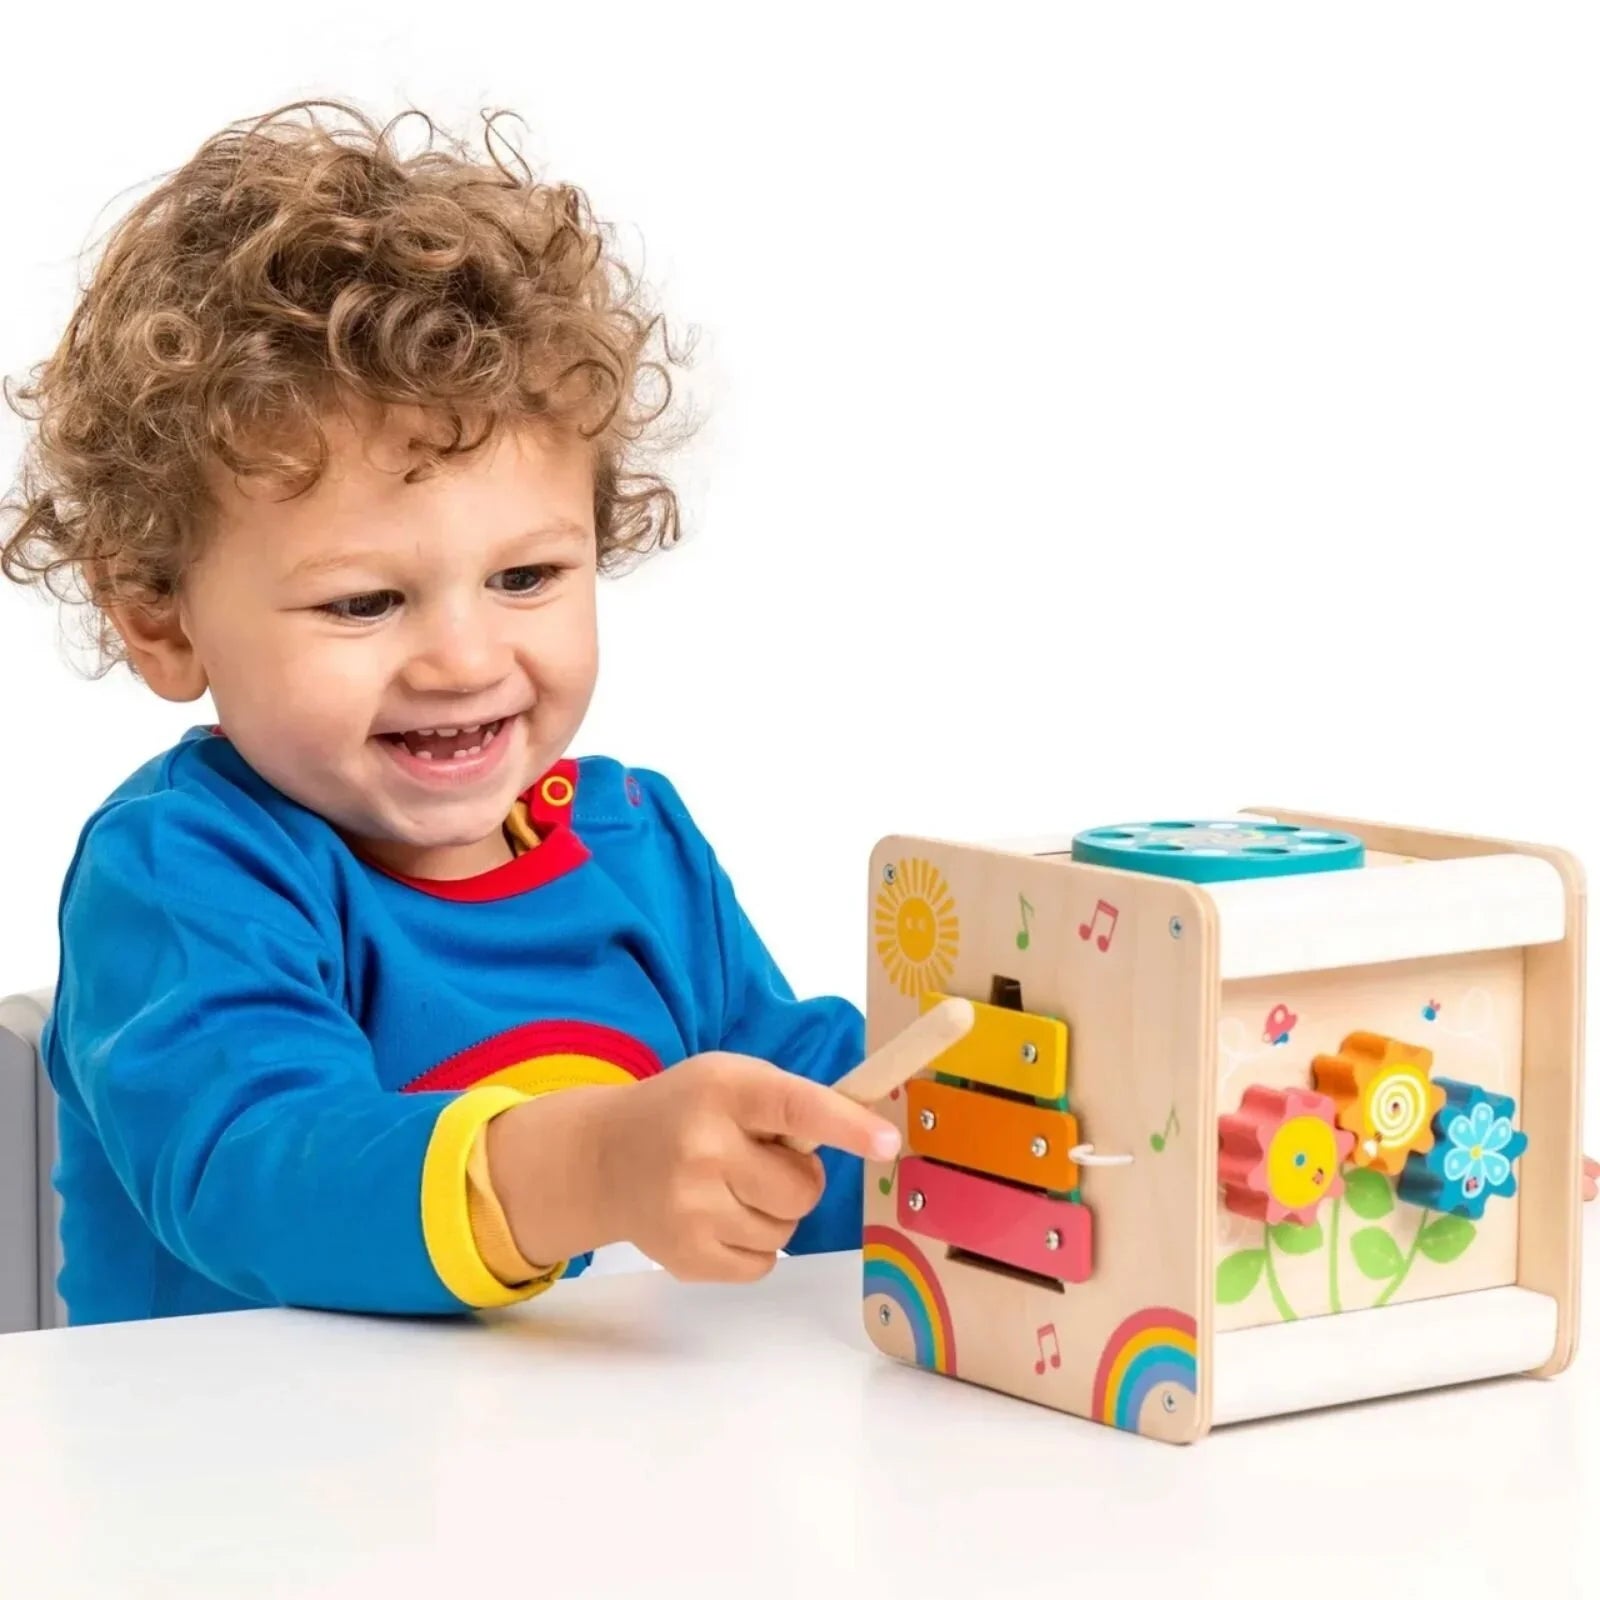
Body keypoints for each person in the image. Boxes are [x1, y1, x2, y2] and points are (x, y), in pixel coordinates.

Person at [0, 100, 899, 1326]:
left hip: (607, 1441)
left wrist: (953, 1126)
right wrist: (600, 1164)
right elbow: (262, 1169)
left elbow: (800, 1126)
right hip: (241, 1449)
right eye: (365, 601)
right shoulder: (181, 871)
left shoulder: (636, 843)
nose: (465, 660)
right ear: (161, 618)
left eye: (526, 577)